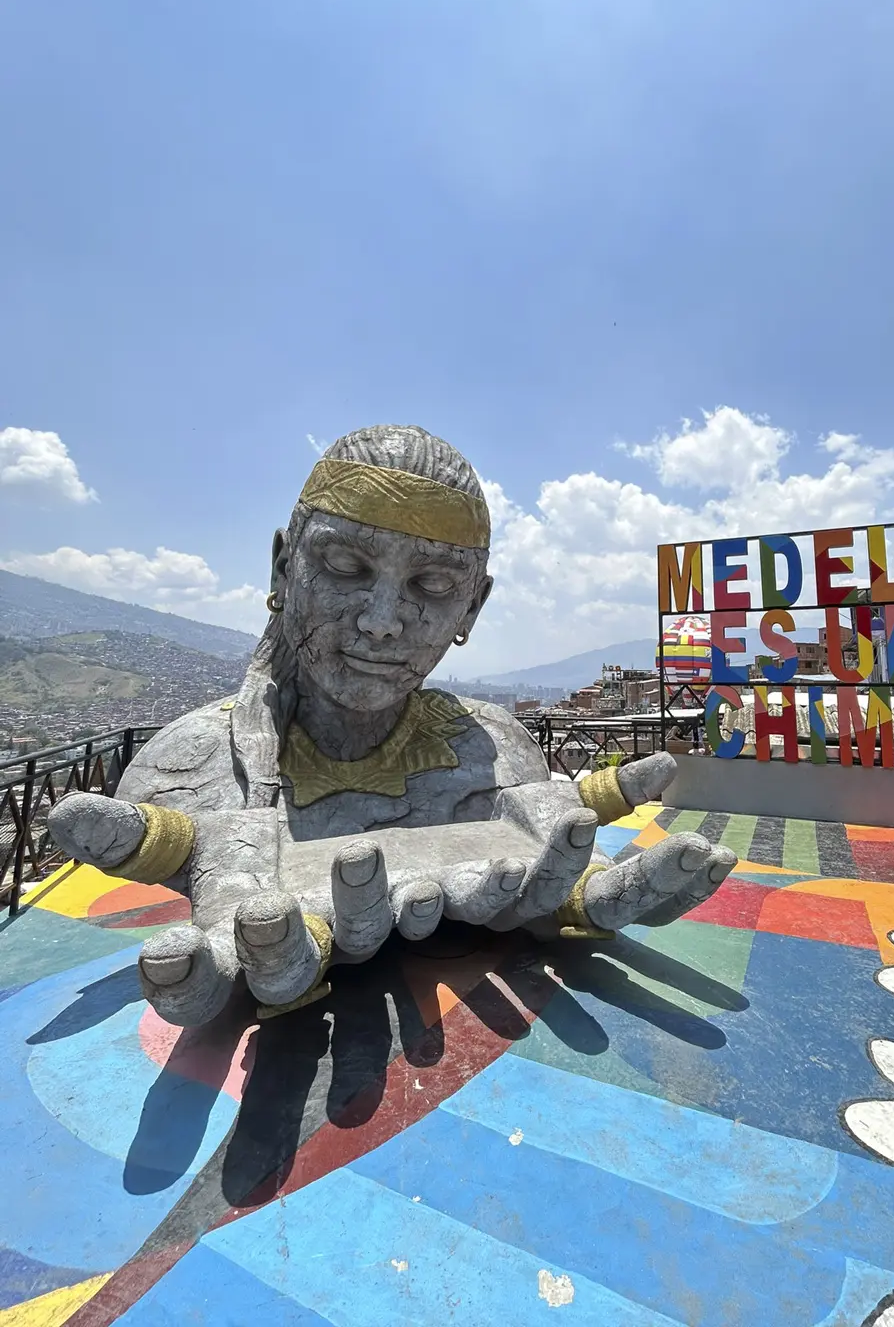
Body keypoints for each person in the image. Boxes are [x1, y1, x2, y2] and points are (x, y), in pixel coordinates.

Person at [50, 426, 734, 1025]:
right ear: (285, 568)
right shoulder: (182, 774)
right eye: (345, 566)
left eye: (432, 586)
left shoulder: (499, 753)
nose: (381, 621)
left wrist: (565, 901)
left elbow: (537, 853)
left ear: (472, 607)